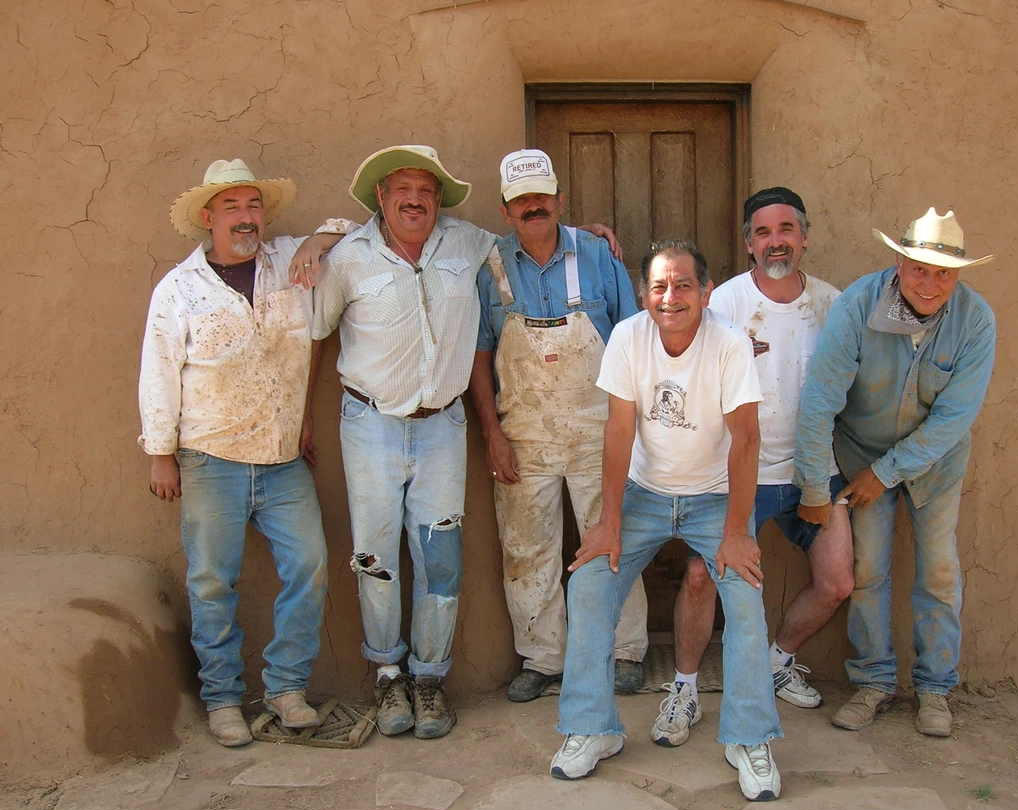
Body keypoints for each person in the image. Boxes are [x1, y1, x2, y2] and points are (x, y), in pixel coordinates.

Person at [306, 145, 621, 739]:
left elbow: (540, 231)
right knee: (374, 559)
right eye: (402, 188)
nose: (415, 199)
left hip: (444, 428)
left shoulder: (469, 243)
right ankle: (387, 675)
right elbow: (314, 330)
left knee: (441, 560)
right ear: (380, 196)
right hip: (370, 426)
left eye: (426, 189)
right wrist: (320, 237)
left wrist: (595, 237)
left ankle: (429, 680)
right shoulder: (348, 258)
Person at [550, 241, 784, 802]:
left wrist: (736, 530)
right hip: (644, 494)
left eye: (683, 285)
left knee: (746, 597)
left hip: (712, 497)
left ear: (706, 291)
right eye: (659, 286)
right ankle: (591, 729)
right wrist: (608, 521)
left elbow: (746, 439)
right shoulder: (629, 338)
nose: (670, 297)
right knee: (588, 586)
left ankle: (749, 738)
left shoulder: (728, 344)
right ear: (643, 294)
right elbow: (618, 431)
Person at [139, 159, 355, 747]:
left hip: (283, 458)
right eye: (231, 207)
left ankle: (286, 687)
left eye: (253, 206)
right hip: (210, 457)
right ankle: (223, 699)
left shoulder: (287, 262)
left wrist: (316, 241)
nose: (245, 218)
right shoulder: (179, 290)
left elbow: (348, 228)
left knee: (308, 567)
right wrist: (161, 453)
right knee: (212, 582)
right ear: (207, 219)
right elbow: (158, 374)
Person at [656, 188, 854, 748]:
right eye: (763, 233)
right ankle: (685, 690)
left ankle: (776, 663)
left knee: (838, 582)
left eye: (786, 230)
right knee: (700, 577)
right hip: (737, 471)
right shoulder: (726, 305)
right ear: (748, 242)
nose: (776, 242)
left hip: (815, 468)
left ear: (804, 237)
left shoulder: (831, 306)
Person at [793, 208, 996, 738]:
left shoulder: (975, 320)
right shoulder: (859, 305)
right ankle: (875, 682)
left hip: (935, 463)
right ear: (899, 262)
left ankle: (934, 688)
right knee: (869, 571)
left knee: (938, 572)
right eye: (918, 269)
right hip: (860, 452)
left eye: (944, 273)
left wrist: (886, 473)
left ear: (959, 275)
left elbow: (955, 417)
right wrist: (816, 487)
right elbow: (819, 400)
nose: (929, 284)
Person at [469, 149, 647, 702]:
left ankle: (624, 651)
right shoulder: (489, 267)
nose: (533, 206)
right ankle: (543, 658)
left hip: (600, 431)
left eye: (541, 196)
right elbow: (480, 356)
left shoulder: (597, 255)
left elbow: (633, 340)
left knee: (611, 536)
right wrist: (492, 434)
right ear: (505, 209)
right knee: (527, 548)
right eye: (521, 199)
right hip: (523, 435)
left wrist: (634, 431)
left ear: (559, 200)